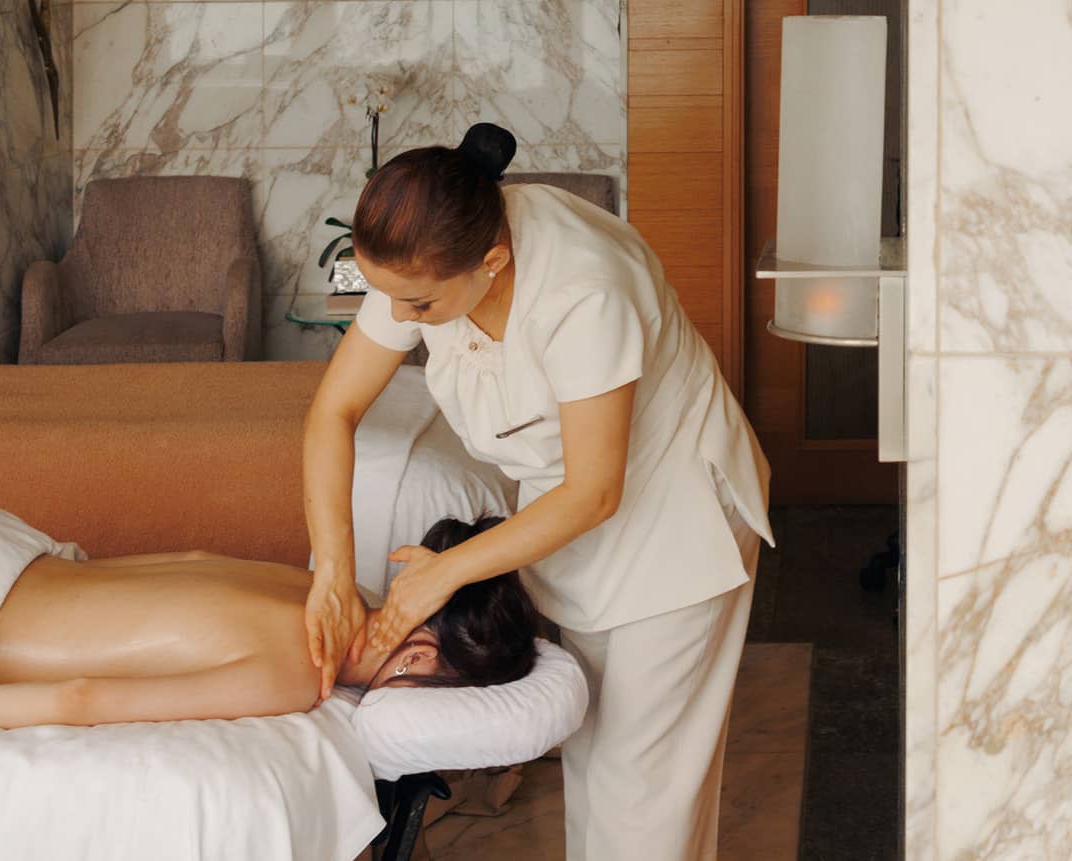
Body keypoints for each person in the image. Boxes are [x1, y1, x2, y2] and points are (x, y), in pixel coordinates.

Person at [301, 122, 773, 860]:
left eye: (417, 307)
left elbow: (593, 491)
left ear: (491, 263)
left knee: (641, 799)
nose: (397, 319)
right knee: (598, 766)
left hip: (674, 525)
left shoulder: (583, 291)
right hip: (576, 523)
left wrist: (447, 570)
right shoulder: (423, 252)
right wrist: (331, 569)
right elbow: (334, 410)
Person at [0, 517, 539, 730]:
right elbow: (83, 698)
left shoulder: (331, 588)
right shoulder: (299, 672)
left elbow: (192, 559)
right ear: (421, 658)